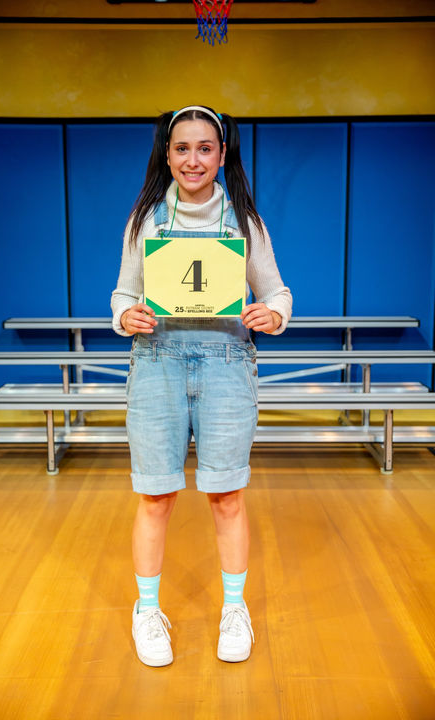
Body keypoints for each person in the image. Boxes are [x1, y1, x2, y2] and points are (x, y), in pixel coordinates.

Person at [111, 105, 292, 667]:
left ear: (222, 154)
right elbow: (123, 294)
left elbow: (278, 293)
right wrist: (125, 317)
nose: (193, 159)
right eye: (182, 148)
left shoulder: (245, 223)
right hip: (157, 362)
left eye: (205, 148)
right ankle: (147, 611)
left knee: (227, 495)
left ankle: (234, 609)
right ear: (167, 156)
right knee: (155, 496)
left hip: (226, 365)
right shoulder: (145, 221)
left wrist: (272, 315)